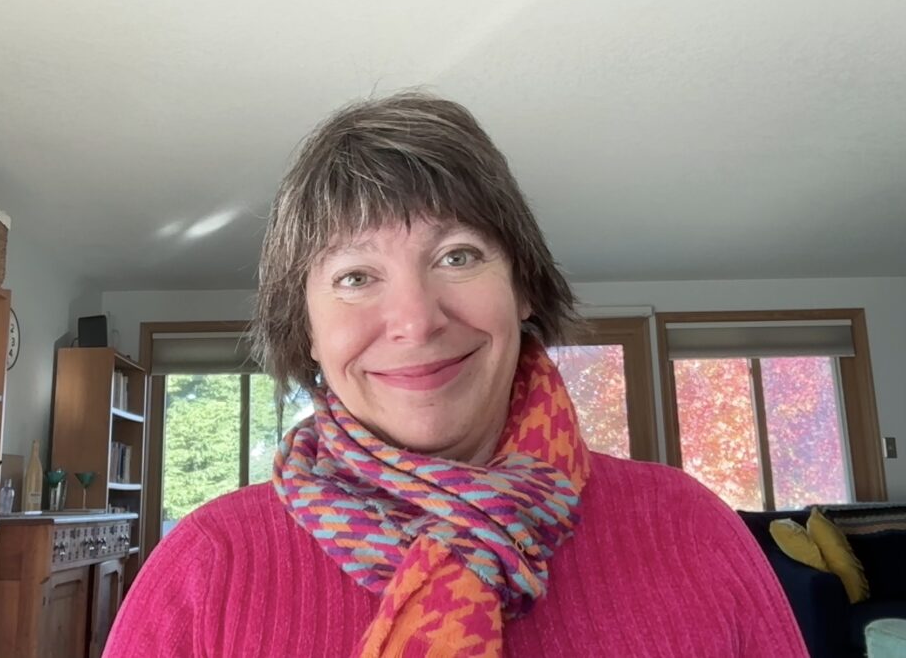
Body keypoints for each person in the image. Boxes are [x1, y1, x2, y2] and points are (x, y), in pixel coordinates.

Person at [105, 92, 808, 657]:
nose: (415, 319)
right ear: (307, 331)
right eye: (355, 276)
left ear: (523, 286)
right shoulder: (204, 569)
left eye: (458, 256)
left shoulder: (693, 531)